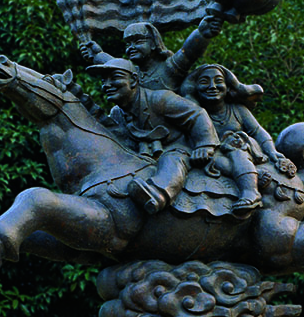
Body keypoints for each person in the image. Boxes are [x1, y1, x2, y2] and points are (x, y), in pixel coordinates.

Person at [87, 58, 219, 214]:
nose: (107, 85)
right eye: (104, 80)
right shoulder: (117, 113)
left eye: (115, 78)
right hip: (140, 155)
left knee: (172, 160)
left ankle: (158, 194)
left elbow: (197, 114)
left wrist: (205, 144)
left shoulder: (160, 99)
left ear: (133, 80)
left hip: (176, 149)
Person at [181, 64, 297, 216]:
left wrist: (272, 151)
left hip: (241, 148)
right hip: (216, 154)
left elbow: (258, 131)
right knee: (214, 159)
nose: (212, 86)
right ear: (195, 89)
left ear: (228, 87)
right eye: (204, 82)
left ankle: (250, 192)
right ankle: (253, 174)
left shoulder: (237, 109)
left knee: (235, 149)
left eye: (218, 81)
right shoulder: (193, 113)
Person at [80, 15, 222, 93]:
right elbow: (113, 64)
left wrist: (202, 33)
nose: (131, 47)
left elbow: (188, 52)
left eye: (138, 41)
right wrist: (96, 54)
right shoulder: (133, 73)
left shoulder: (169, 68)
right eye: (128, 44)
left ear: (154, 43)